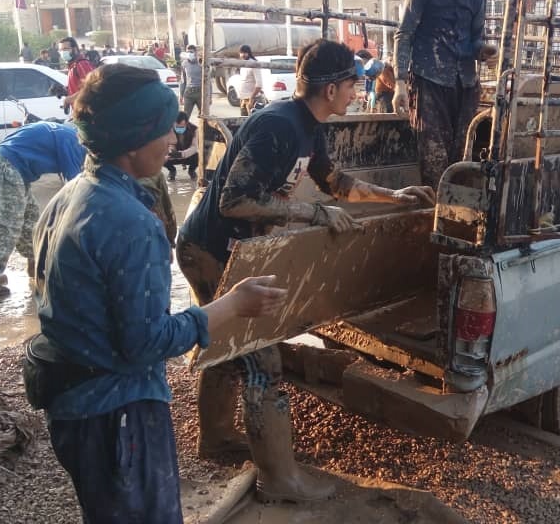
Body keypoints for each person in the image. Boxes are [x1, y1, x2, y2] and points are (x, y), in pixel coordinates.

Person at [177, 39, 435, 504]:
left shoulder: (308, 126)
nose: (358, 92)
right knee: (261, 356)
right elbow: (232, 200)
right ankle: (279, 479)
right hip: (207, 249)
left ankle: (214, 437)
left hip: (223, 246)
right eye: (354, 85)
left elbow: (335, 183)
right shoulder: (278, 127)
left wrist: (394, 198)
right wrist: (310, 215)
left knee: (223, 343)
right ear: (331, 88)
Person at [32, 63, 287, 524]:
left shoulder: (67, 197)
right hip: (117, 415)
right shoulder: (131, 223)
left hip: (71, 407)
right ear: (133, 141)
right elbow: (145, 342)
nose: (175, 139)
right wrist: (233, 304)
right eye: (165, 129)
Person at [392, 0, 498, 188]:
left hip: (465, 84)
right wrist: (400, 84)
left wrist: (485, 51)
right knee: (433, 157)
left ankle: (456, 216)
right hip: (429, 81)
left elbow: (474, 40)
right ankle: (434, 216)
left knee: (462, 154)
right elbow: (404, 35)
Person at [0, 122, 86, 297]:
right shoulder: (75, 143)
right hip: (7, 166)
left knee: (30, 218)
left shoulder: (68, 131)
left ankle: (36, 262)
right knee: (6, 223)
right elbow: (76, 191)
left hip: (8, 165)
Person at [59, 37, 95, 109]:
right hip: (79, 111)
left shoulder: (82, 64)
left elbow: (91, 88)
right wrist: (65, 90)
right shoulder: (72, 66)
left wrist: (69, 99)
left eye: (65, 49)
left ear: (75, 49)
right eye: (60, 50)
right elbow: (79, 87)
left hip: (89, 112)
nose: (62, 52)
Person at [164, 111, 198, 182]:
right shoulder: (168, 128)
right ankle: (172, 171)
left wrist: (182, 154)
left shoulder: (194, 129)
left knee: (199, 156)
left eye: (182, 127)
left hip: (188, 155)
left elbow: (194, 147)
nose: (179, 128)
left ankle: (191, 171)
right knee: (160, 156)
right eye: (177, 126)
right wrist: (171, 151)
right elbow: (169, 144)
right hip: (173, 156)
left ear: (187, 123)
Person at [236, 44, 263, 116]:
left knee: (253, 124)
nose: (243, 55)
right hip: (243, 99)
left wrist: (251, 98)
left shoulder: (253, 64)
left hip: (252, 100)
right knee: (243, 123)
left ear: (249, 53)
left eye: (245, 52)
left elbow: (259, 85)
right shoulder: (243, 64)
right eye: (241, 53)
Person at [181, 45, 203, 116]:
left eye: (191, 52)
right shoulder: (184, 63)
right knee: (184, 117)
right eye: (187, 52)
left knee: (204, 116)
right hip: (188, 93)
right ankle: (182, 128)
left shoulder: (201, 63)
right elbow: (183, 81)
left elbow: (207, 80)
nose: (189, 54)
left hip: (200, 93)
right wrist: (181, 95)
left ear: (195, 53)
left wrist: (209, 96)